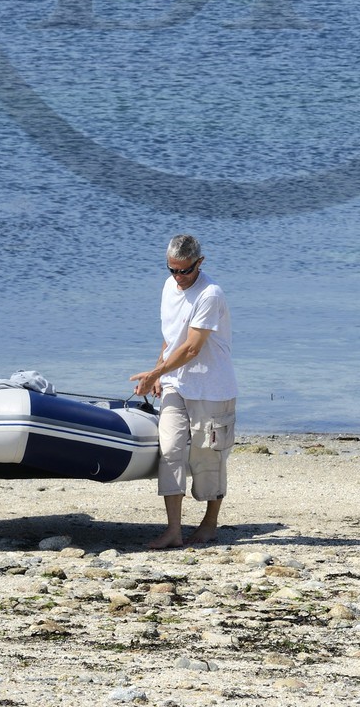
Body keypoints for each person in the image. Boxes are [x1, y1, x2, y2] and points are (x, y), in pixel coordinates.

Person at [131, 234, 237, 549]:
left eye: (185, 271)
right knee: (171, 451)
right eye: (172, 270)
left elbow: (191, 348)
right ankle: (173, 531)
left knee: (208, 456)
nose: (179, 277)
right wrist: (159, 372)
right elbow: (171, 337)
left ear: (199, 263)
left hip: (212, 388)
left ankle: (210, 524)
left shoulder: (210, 294)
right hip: (175, 384)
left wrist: (155, 373)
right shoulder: (168, 287)